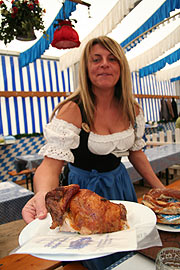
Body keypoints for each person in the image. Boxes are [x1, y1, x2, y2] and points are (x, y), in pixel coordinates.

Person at [22, 36, 165, 270]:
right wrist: (43, 194)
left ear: (121, 66)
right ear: (86, 69)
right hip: (83, 193)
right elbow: (50, 164)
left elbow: (136, 153)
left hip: (120, 184)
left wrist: (159, 188)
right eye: (96, 59)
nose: (104, 64)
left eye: (112, 59)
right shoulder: (73, 109)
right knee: (94, 255)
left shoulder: (132, 109)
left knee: (127, 247)